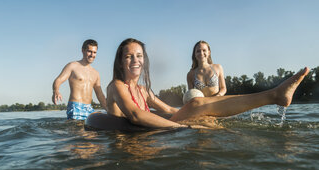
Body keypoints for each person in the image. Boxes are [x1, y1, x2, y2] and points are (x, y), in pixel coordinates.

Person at [105, 38, 309, 129]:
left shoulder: (143, 90)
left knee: (202, 114)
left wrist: (191, 115)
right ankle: (274, 95)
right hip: (130, 143)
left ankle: (271, 98)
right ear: (120, 61)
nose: (135, 60)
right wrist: (179, 127)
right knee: (195, 106)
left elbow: (167, 108)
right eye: (129, 56)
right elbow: (135, 115)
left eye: (139, 56)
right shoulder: (116, 86)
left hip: (149, 133)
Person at [52, 39, 107, 120]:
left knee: (98, 130)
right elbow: (59, 80)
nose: (92, 55)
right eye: (89, 51)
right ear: (83, 50)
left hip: (89, 109)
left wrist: (109, 110)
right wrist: (56, 90)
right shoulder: (73, 66)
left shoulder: (96, 73)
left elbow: (100, 95)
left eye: (94, 52)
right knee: (81, 132)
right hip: (76, 107)